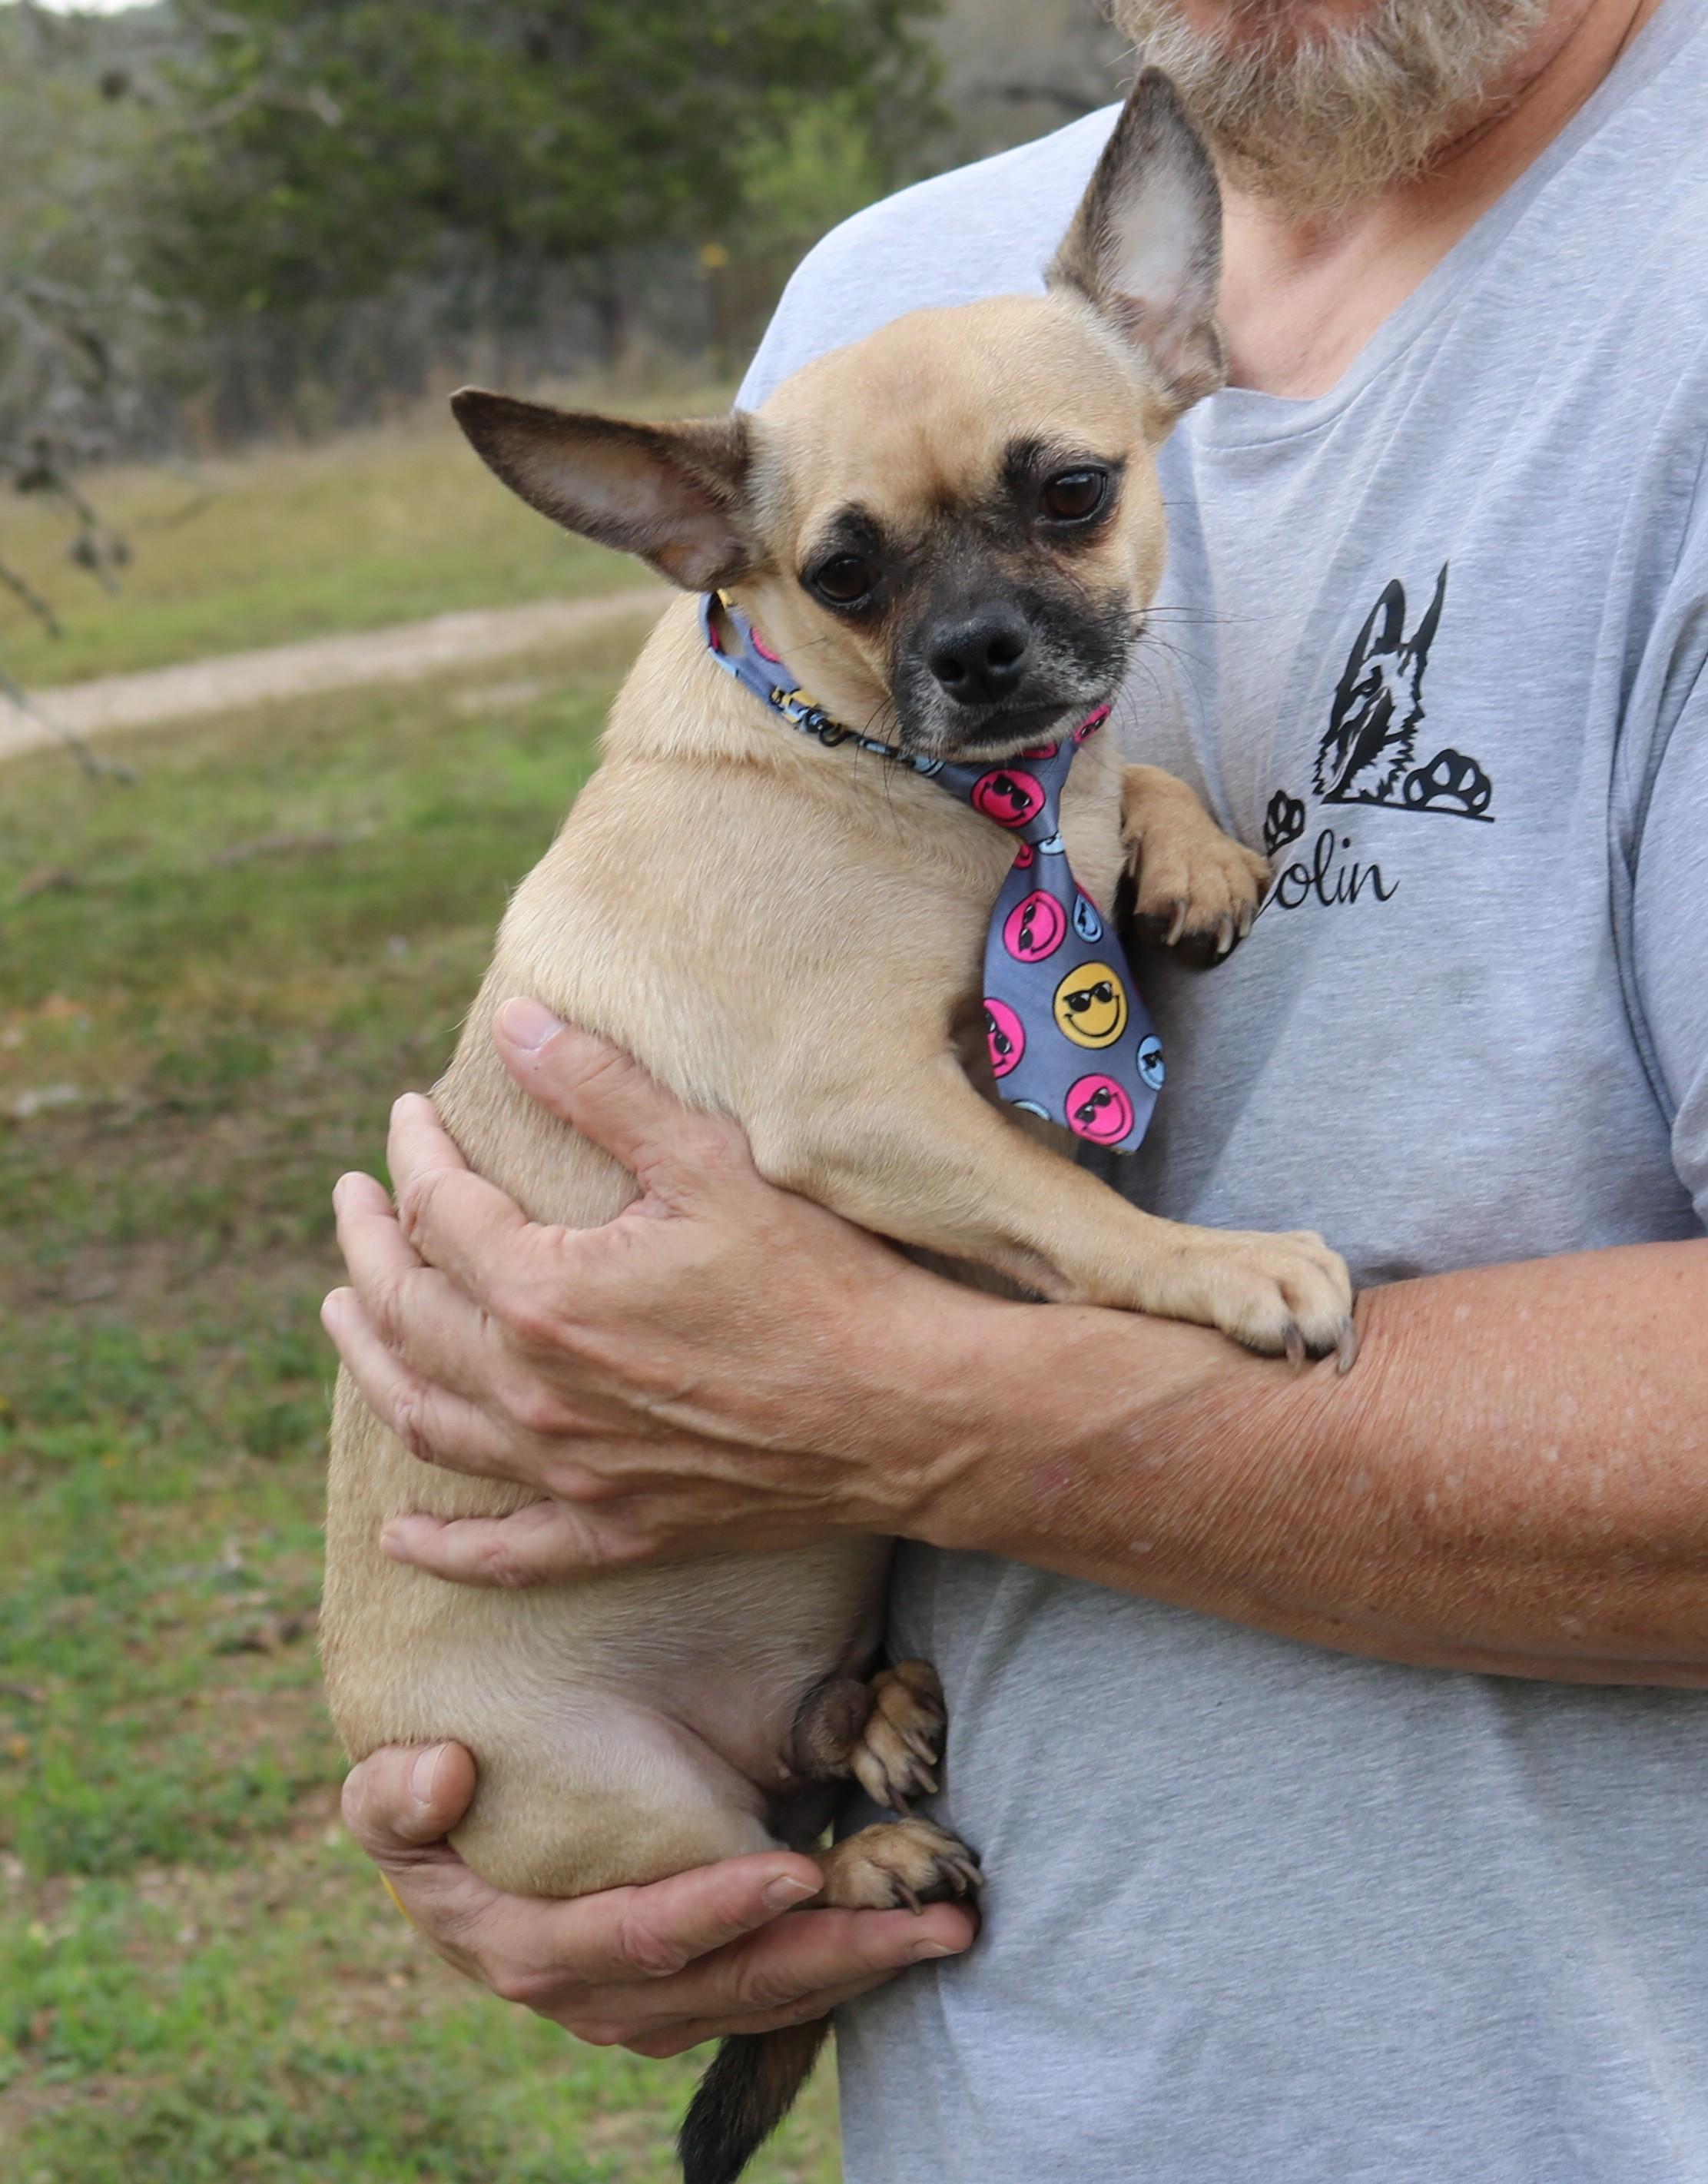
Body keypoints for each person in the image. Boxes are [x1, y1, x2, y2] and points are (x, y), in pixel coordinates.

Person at [321, 2, 1708, 2175]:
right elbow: (808, 885)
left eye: (1056, 513)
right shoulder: (888, 305)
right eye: (870, 580)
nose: (965, 626)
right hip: (993, 2061)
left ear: (1167, 352)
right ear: (725, 541)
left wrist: (901, 1394)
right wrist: (524, 1847)